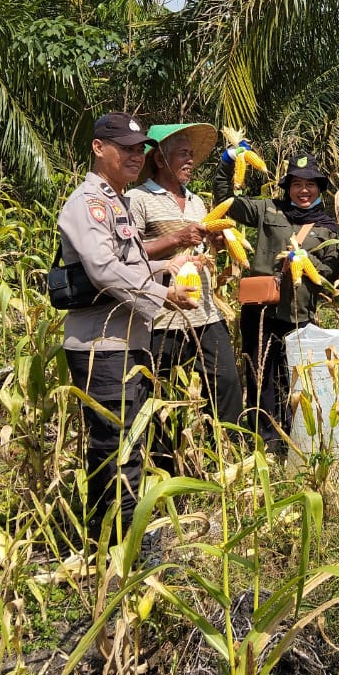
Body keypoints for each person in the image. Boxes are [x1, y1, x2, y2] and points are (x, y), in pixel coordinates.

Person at [58, 112, 197, 537]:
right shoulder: (90, 202)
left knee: (129, 442)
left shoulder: (116, 200)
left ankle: (120, 536)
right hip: (103, 344)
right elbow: (102, 269)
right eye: (126, 148)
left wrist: (168, 265)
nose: (136, 157)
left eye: (140, 150)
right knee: (114, 446)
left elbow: (128, 265)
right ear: (100, 148)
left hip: (127, 340)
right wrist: (163, 294)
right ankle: (112, 543)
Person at [212, 152, 339, 446]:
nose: (304, 191)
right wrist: (228, 162)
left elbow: (333, 268)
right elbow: (225, 201)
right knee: (260, 375)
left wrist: (305, 263)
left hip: (299, 313)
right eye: (297, 184)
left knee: (295, 378)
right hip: (260, 309)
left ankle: (295, 436)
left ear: (319, 188)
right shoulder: (267, 210)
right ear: (287, 187)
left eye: (310, 184)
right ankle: (266, 440)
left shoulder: (327, 227)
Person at [126, 123, 244, 443]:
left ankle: (227, 454)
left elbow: (200, 251)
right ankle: (168, 467)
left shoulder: (197, 202)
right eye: (183, 154)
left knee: (227, 383)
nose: (190, 161)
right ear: (161, 160)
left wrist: (216, 244)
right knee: (162, 393)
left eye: (192, 155)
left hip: (204, 312)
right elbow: (127, 254)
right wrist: (175, 238)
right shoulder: (137, 199)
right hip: (162, 316)